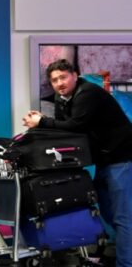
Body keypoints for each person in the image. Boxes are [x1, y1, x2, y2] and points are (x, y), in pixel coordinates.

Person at [23, 59, 132, 267]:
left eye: (63, 77)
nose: (59, 83)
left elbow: (76, 126)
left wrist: (42, 122)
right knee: (108, 212)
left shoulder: (87, 93)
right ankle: (122, 254)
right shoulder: (62, 97)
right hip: (105, 161)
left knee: (122, 217)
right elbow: (62, 131)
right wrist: (38, 123)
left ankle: (125, 263)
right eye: (54, 80)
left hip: (121, 159)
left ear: (75, 75)